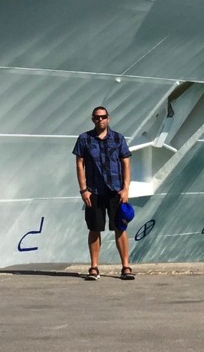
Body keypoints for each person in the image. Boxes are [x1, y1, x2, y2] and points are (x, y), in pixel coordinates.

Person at [73, 106, 135, 280]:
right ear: (93, 119)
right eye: (96, 117)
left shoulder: (118, 138)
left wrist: (126, 188)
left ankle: (125, 266)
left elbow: (126, 164)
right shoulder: (84, 139)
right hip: (94, 191)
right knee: (94, 228)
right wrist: (83, 189)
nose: (100, 120)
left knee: (120, 228)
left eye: (103, 117)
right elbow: (80, 164)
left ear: (109, 118)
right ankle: (94, 267)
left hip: (115, 190)